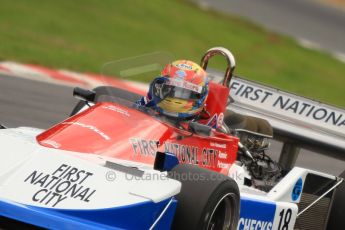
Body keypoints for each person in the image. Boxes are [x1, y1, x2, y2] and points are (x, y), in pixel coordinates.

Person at [137, 60, 210, 121]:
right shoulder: (143, 103)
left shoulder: (206, 132)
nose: (173, 97)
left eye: (184, 92)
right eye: (168, 89)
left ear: (200, 96)